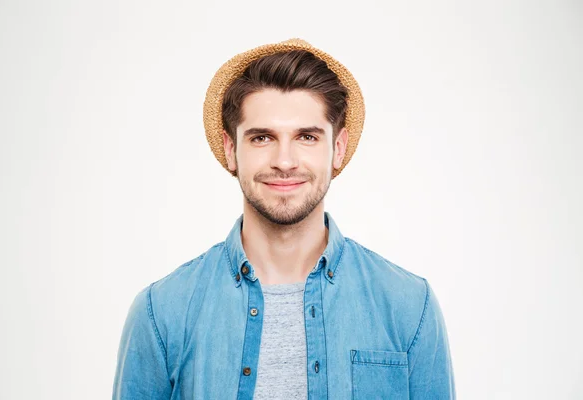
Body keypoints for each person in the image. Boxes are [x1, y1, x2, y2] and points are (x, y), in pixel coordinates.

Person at [112, 38, 455, 399]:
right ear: (231, 150)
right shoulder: (162, 313)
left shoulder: (409, 306)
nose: (285, 161)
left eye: (307, 136)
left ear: (337, 149)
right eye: (262, 138)